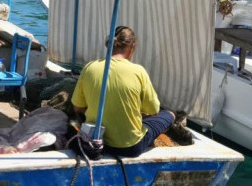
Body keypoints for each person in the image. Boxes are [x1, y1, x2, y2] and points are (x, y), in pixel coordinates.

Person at [71, 26, 174, 157]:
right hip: (130, 147)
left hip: (96, 141)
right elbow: (153, 110)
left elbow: (78, 107)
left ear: (108, 45)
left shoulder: (89, 68)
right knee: (169, 115)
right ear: (133, 46)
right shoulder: (138, 71)